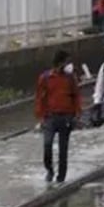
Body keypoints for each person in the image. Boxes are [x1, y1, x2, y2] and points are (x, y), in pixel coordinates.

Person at [35, 49, 83, 185]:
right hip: (50, 118)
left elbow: (76, 97)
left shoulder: (70, 78)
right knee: (47, 145)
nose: (69, 65)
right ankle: (50, 170)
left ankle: (61, 178)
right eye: (67, 62)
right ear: (60, 62)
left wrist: (77, 115)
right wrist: (41, 117)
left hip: (66, 118)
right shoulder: (45, 78)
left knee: (63, 150)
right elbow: (40, 98)